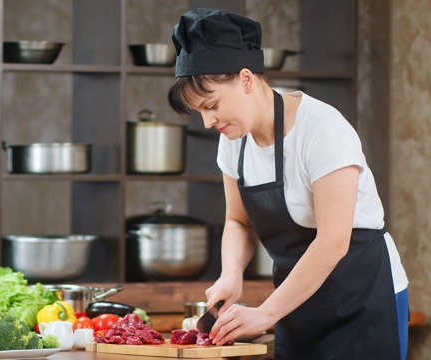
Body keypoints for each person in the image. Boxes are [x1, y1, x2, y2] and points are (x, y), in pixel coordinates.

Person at [167, 8, 409, 360]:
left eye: (212, 105)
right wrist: (232, 273)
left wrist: (265, 313)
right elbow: (237, 221)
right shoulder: (233, 137)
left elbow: (332, 242)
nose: (207, 122)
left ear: (246, 79)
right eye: (199, 112)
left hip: (363, 297)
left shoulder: (323, 130)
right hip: (296, 302)